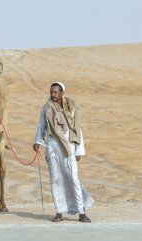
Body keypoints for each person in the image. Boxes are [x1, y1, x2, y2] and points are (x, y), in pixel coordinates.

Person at [33, 81, 94, 222]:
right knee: (55, 179)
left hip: (69, 145)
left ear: (62, 93)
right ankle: (59, 211)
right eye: (51, 92)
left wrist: (79, 150)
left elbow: (77, 129)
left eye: (55, 92)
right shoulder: (46, 108)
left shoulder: (72, 107)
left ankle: (81, 211)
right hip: (52, 144)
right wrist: (37, 142)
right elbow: (41, 126)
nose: (53, 94)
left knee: (73, 177)